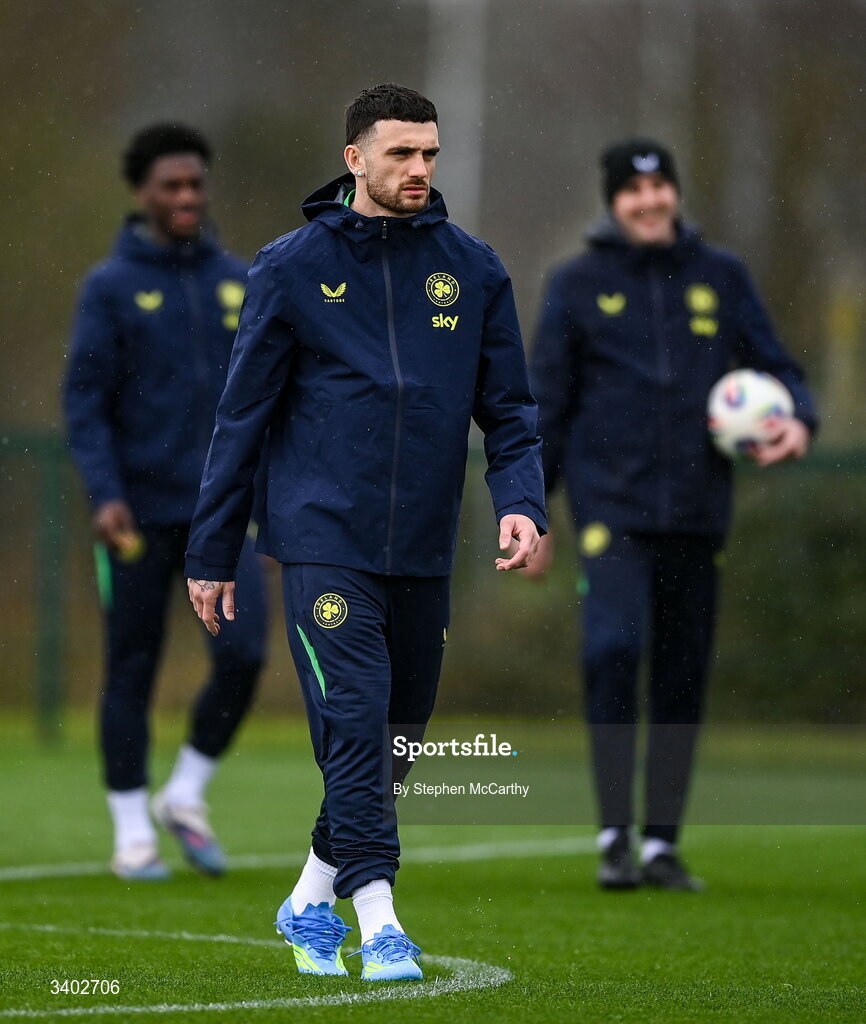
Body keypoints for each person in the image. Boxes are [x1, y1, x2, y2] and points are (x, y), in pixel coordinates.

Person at [185, 83, 545, 982]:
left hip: (422, 547)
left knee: (395, 742)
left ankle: (311, 896)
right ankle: (379, 923)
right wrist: (211, 551)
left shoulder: (475, 269)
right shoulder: (290, 268)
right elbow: (241, 417)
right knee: (353, 726)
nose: (419, 168)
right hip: (320, 540)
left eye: (429, 153)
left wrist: (522, 502)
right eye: (401, 154)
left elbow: (511, 414)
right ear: (355, 160)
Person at [526, 138, 817, 891]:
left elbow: (780, 367)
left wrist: (799, 421)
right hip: (609, 511)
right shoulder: (577, 283)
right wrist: (529, 511)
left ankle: (661, 842)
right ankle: (614, 832)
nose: (650, 204)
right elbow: (547, 410)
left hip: (697, 510)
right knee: (613, 651)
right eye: (634, 193)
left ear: (676, 194)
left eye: (661, 191)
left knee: (682, 675)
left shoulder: (720, 277)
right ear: (613, 201)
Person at [63, 124, 268, 881]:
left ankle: (184, 794)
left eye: (196, 184)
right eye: (171, 186)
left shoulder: (240, 280)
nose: (186, 197)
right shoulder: (110, 288)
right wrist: (106, 493)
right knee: (132, 668)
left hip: (222, 515)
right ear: (143, 192)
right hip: (138, 519)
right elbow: (84, 402)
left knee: (245, 656)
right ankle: (131, 834)